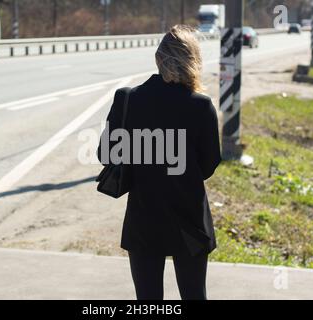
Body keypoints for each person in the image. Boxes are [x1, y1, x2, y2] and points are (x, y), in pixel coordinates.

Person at [97, 25, 222, 300]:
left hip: (144, 217)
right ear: (194, 62)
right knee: (194, 296)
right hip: (189, 218)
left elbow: (106, 155)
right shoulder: (201, 106)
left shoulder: (127, 99)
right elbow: (209, 164)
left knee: (148, 300)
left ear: (158, 58)